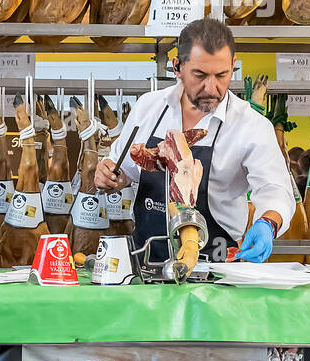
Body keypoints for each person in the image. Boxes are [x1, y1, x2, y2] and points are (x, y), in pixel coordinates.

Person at [94, 18, 296, 264]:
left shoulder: (251, 126)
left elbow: (275, 190)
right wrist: (110, 176)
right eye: (200, 75)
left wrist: (267, 223)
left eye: (222, 75)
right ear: (177, 66)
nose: (211, 88)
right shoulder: (149, 107)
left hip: (217, 269)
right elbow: (123, 170)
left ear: (233, 66)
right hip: (147, 263)